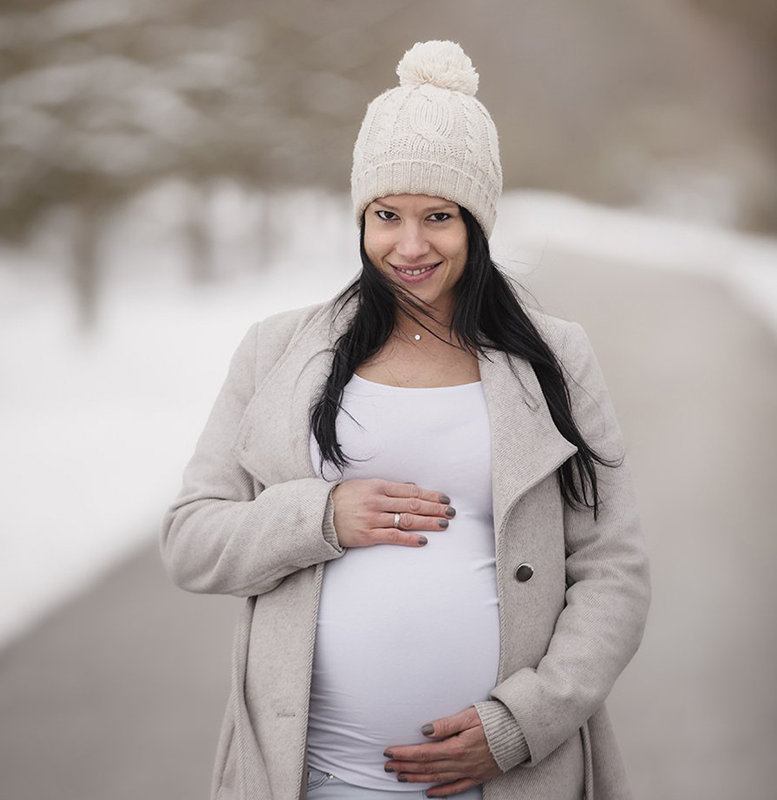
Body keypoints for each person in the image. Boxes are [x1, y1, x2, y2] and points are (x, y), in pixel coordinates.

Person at [160, 40, 651, 800]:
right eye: (386, 215)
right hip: (312, 777)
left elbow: (612, 571)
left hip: (509, 776)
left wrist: (521, 724)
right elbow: (191, 540)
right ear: (362, 214)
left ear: (477, 223)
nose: (409, 245)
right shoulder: (277, 351)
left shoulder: (556, 358)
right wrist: (320, 515)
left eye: (439, 217)